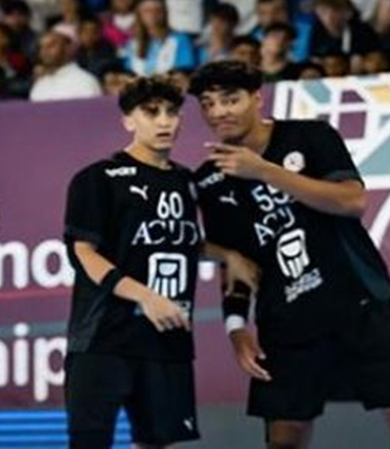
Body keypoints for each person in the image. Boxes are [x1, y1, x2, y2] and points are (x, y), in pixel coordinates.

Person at [190, 60, 390, 449]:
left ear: (256, 98)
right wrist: (236, 327)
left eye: (229, 99)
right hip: (286, 320)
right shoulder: (208, 180)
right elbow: (235, 263)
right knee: (284, 440)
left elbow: (352, 201)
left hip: (361, 303)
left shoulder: (311, 135)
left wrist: (265, 171)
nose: (218, 111)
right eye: (208, 104)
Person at [63, 76, 255, 448]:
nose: (165, 121)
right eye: (151, 112)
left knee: (157, 442)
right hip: (104, 339)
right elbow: (83, 253)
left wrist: (227, 255)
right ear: (128, 120)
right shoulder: (97, 178)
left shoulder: (187, 181)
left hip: (168, 340)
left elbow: (182, 239)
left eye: (172, 112)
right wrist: (146, 296)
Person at [29, 29, 101, 102]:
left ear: (67, 48)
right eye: (41, 47)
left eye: (50, 46)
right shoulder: (40, 85)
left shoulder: (85, 81)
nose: (44, 51)